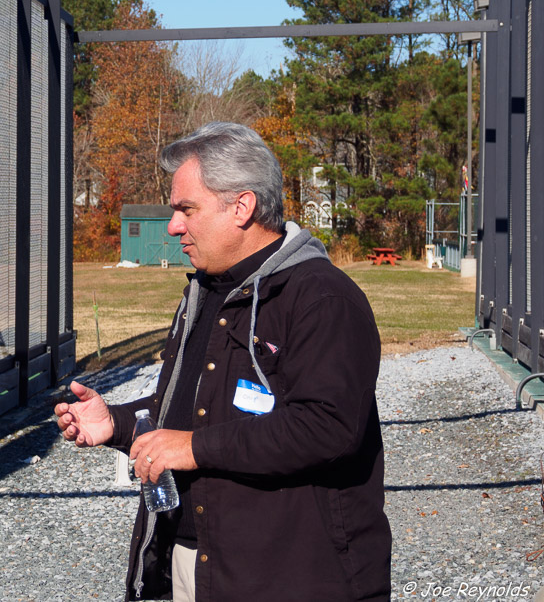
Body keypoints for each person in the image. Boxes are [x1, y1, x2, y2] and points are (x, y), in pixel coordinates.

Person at [55, 122, 392, 601]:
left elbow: (327, 427)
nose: (173, 225)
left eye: (185, 209)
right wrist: (119, 423)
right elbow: (195, 408)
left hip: (292, 578)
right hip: (199, 564)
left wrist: (192, 448)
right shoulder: (207, 292)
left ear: (242, 207)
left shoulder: (323, 298)